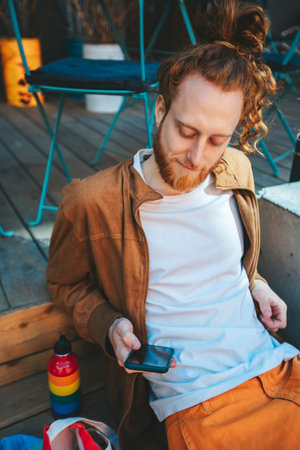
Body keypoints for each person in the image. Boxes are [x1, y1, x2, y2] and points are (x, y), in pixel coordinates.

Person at [46, 1, 300, 449]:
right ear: (160, 108)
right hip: (197, 401)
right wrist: (108, 325)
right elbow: (66, 286)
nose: (198, 156)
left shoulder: (236, 170)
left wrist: (256, 284)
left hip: (279, 366)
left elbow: (232, 263)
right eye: (186, 131)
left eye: (217, 140)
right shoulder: (95, 201)